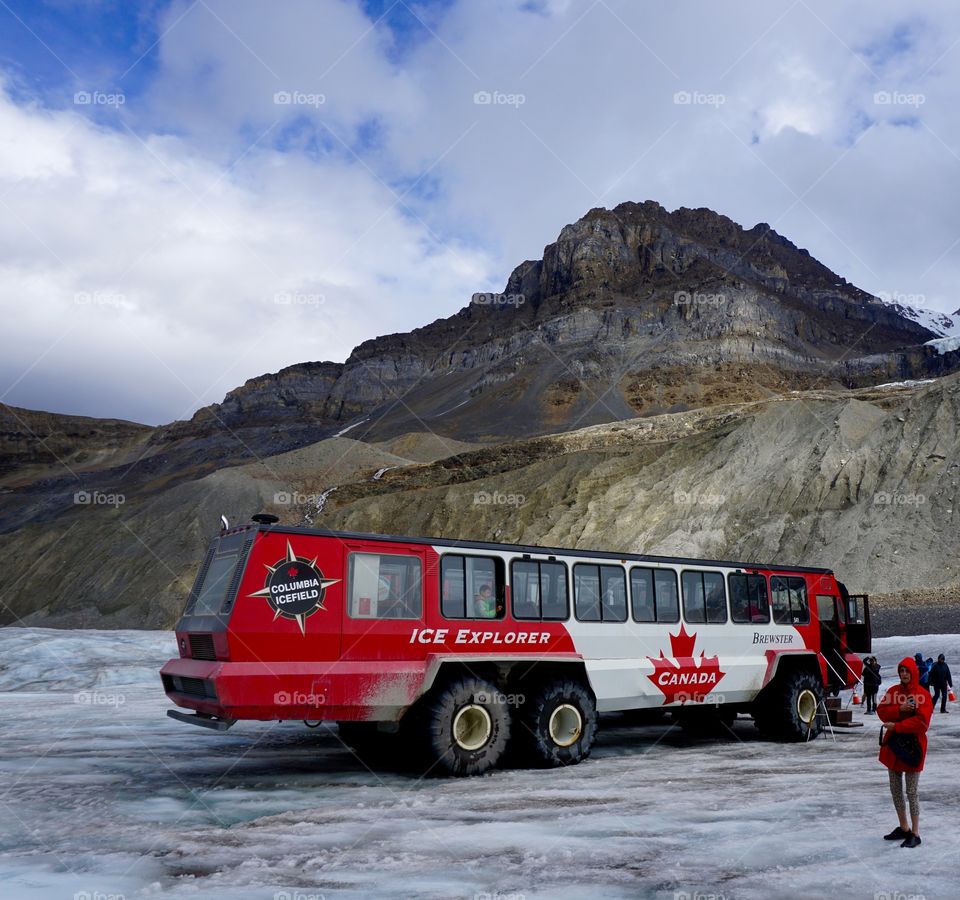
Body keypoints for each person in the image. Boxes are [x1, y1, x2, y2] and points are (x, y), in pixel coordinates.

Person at [877, 657, 933, 848]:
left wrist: (897, 726)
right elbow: (882, 711)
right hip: (894, 748)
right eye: (901, 671)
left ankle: (915, 833)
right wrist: (899, 709)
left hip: (912, 749)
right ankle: (904, 827)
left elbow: (922, 723)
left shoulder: (922, 694)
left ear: (913, 672)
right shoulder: (894, 691)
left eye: (907, 671)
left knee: (911, 791)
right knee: (895, 788)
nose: (904, 674)